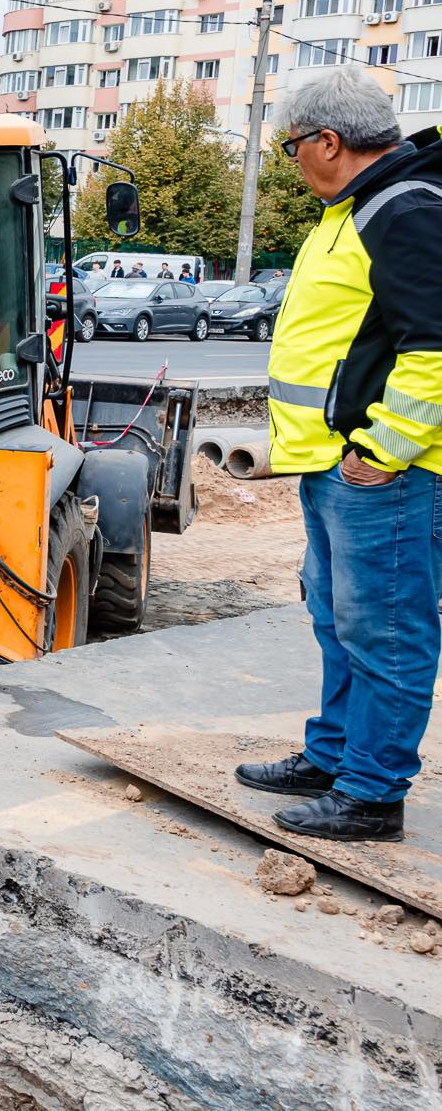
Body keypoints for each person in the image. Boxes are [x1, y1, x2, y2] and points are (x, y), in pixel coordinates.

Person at [235, 66, 442, 842]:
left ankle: (371, 792)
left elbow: (434, 346)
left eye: (292, 147)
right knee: (338, 619)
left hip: (386, 472)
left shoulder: (404, 210)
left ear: (328, 140)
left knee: (386, 629)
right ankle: (335, 755)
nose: (291, 162)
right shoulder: (351, 210)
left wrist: (387, 447)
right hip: (336, 465)